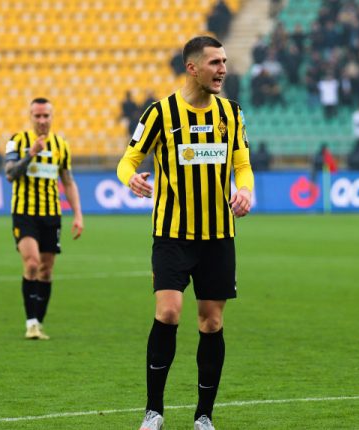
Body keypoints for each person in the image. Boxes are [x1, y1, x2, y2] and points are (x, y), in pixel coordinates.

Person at [116, 36, 253, 430]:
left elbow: (242, 165)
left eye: (224, 61)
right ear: (192, 68)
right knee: (168, 312)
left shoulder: (231, 113)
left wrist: (245, 191)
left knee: (211, 322)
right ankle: (154, 411)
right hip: (172, 234)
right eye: (215, 62)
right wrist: (130, 179)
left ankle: (204, 415)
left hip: (218, 236)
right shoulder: (160, 113)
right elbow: (128, 160)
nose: (223, 69)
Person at [4, 97, 84, 340]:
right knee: (32, 263)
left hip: (51, 215)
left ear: (51, 117)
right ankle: (30, 323)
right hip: (24, 214)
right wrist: (31, 154)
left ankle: (38, 322)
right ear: (30, 117)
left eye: (45, 115)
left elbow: (68, 181)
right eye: (37, 116)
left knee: (46, 271)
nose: (41, 120)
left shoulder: (61, 145)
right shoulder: (16, 141)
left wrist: (78, 215)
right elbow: (10, 174)